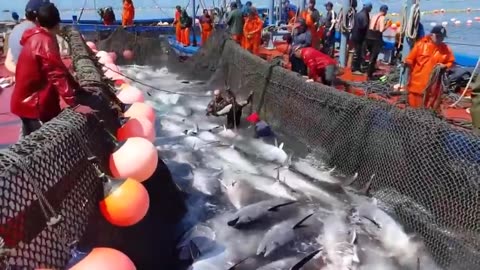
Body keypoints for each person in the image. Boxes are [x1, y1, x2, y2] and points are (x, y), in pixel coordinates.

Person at [11, 3, 82, 136]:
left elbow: (59, 68)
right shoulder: (46, 42)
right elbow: (57, 74)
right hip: (33, 106)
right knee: (41, 144)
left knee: (29, 141)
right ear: (58, 23)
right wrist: (75, 104)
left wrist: (77, 88)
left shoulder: (34, 36)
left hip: (23, 104)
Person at [404, 25, 454, 108]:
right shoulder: (420, 45)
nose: (440, 39)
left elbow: (451, 62)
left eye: (442, 37)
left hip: (434, 86)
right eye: (438, 36)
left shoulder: (446, 49)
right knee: (414, 106)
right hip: (418, 83)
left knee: (431, 105)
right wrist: (407, 64)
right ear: (431, 35)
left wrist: (444, 66)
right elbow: (409, 59)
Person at [5, 0, 50, 74]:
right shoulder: (38, 34)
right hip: (33, 79)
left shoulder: (16, 29)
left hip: (19, 76)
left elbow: (8, 62)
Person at [365, 4, 389, 80]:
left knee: (369, 54)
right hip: (376, 38)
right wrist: (387, 25)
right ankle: (369, 74)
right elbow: (381, 30)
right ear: (385, 11)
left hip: (369, 37)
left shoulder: (373, 16)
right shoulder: (382, 18)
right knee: (373, 57)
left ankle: (367, 70)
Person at [350, 2, 372, 74]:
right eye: (370, 8)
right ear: (368, 8)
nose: (371, 10)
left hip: (355, 35)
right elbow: (363, 26)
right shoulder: (364, 15)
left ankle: (355, 67)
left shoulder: (358, 14)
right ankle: (356, 68)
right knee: (359, 53)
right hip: (360, 37)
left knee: (357, 52)